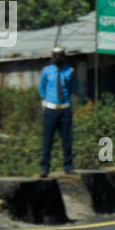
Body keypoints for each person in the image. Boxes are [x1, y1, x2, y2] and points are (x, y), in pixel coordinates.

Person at [39, 45, 74, 176]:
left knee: (67, 139)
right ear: (52, 57)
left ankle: (68, 165)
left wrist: (65, 101)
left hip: (65, 109)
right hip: (51, 110)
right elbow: (42, 87)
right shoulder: (47, 71)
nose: (58, 57)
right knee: (48, 139)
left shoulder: (70, 71)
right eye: (56, 55)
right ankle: (44, 167)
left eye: (60, 55)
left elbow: (71, 89)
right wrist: (48, 99)